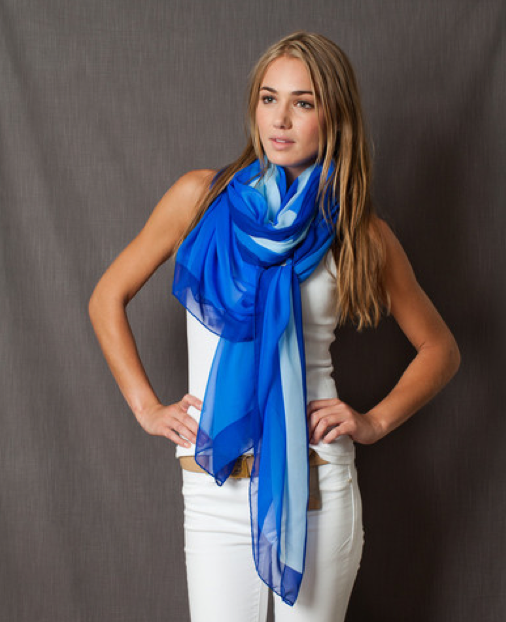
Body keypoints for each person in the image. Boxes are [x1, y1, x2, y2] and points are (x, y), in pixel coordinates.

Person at [89, 31, 460, 622]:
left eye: (302, 102)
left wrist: (373, 421)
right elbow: (107, 297)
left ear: (334, 116)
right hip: (213, 487)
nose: (280, 119)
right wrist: (146, 408)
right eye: (269, 98)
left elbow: (440, 348)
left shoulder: (357, 231)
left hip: (316, 487)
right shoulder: (199, 199)